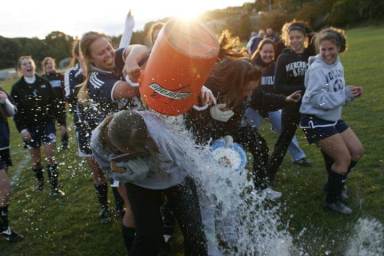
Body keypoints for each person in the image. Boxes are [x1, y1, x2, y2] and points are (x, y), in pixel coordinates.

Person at [90, 109, 207, 256]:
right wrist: (125, 175)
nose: (130, 152)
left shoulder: (161, 136)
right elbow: (108, 170)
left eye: (135, 150)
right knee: (148, 237)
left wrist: (205, 192)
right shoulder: (97, 140)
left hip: (177, 178)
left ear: (146, 136)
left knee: (194, 232)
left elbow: (190, 166)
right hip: (139, 183)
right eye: (126, 151)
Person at [299, 27, 364, 214]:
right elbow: (316, 98)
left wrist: (350, 92)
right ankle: (332, 200)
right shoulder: (317, 69)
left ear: (339, 48)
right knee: (343, 159)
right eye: (323, 49)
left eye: (331, 49)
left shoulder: (338, 63)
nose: (327, 53)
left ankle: (335, 183)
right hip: (314, 119)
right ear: (319, 50)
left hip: (332, 117)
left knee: (357, 151)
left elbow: (335, 88)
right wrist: (343, 96)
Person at [64, 41, 112, 224]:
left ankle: (122, 204)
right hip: (85, 128)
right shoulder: (71, 73)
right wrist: (84, 78)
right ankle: (103, 206)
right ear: (78, 56)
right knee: (97, 170)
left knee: (115, 166)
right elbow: (69, 98)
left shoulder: (99, 71)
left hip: (105, 124)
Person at [247, 38, 310, 166]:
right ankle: (238, 159)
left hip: (273, 105)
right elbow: (252, 95)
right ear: (259, 51)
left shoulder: (277, 66)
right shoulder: (252, 67)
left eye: (271, 52)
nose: (268, 55)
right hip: (254, 107)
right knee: (248, 133)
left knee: (285, 128)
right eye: (265, 52)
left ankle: (299, 157)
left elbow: (281, 88)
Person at [268, 20, 315, 183]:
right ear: (287, 39)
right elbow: (278, 86)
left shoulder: (312, 55)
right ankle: (268, 177)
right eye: (292, 37)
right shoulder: (283, 58)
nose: (295, 41)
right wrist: (302, 89)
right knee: (283, 141)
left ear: (305, 38)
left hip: (312, 106)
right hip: (292, 106)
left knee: (325, 140)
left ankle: (335, 179)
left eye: (298, 37)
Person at [11, 56, 65, 196]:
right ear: (20, 69)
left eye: (30, 63)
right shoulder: (17, 88)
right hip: (29, 128)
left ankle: (54, 188)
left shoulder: (44, 82)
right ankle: (40, 182)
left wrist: (62, 123)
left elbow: (54, 104)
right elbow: (16, 112)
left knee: (50, 156)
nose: (28, 66)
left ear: (34, 65)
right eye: (24, 64)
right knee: (36, 160)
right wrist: (22, 129)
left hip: (47, 124)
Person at [0, 87, 23, 242]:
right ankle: (4, 229)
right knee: (5, 188)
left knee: (2, 191)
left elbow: (13, 111)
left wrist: (4, 101)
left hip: (3, 146)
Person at [41, 57, 69, 150]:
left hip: (60, 104)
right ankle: (52, 143)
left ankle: (65, 142)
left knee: (62, 124)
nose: (49, 65)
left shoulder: (60, 76)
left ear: (54, 65)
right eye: (47, 63)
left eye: (51, 63)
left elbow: (65, 89)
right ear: (44, 66)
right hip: (48, 106)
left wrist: (65, 100)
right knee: (50, 126)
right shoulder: (42, 78)